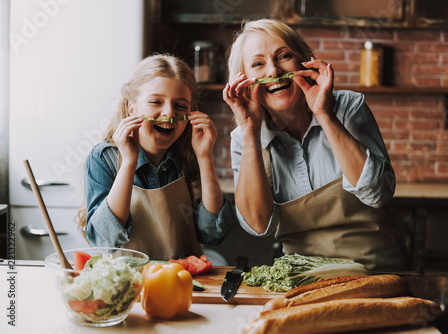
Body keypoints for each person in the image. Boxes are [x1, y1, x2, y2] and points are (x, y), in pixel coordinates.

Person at [223, 19, 408, 270]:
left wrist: (324, 115)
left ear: (304, 61)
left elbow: (378, 193)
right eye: (258, 64)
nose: (273, 72)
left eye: (284, 56)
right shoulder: (244, 137)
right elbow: (258, 226)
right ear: (244, 83)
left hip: (374, 271)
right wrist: (250, 132)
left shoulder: (347, 108)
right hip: (303, 278)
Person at [79, 54, 234, 260]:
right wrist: (128, 163)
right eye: (155, 102)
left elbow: (213, 233)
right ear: (131, 108)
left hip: (182, 281)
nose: (169, 113)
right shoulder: (103, 158)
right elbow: (106, 240)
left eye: (180, 106)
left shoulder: (191, 153)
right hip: (129, 285)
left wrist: (205, 158)